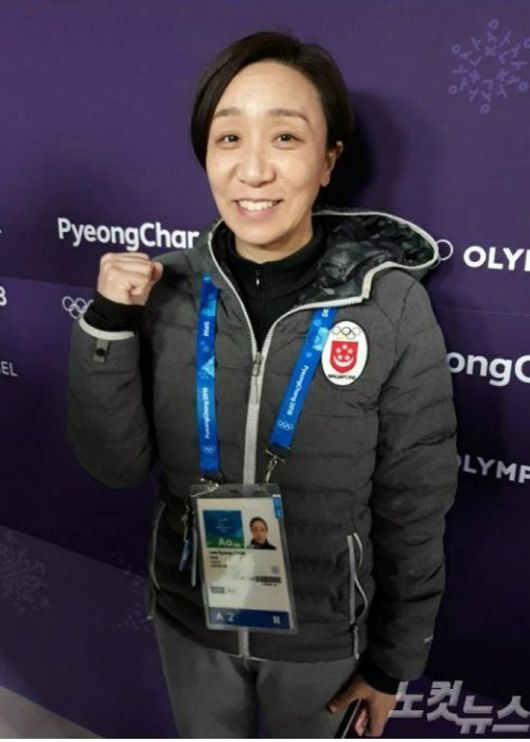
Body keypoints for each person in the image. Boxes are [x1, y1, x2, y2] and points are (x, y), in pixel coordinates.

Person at [67, 30, 458, 738]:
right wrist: (108, 325)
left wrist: (392, 664)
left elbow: (416, 504)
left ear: (328, 159)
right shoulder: (165, 291)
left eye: (285, 137)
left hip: (323, 644)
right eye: (228, 138)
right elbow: (113, 464)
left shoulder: (392, 307)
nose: (252, 170)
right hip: (192, 623)